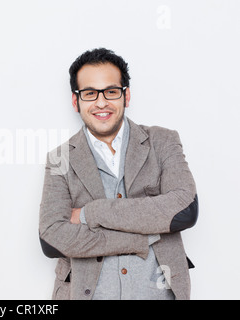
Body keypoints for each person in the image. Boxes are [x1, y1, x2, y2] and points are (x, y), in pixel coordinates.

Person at [38, 48, 198, 300]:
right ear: (75, 100)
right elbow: (52, 238)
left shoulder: (163, 141)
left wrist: (91, 213)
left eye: (111, 91)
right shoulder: (60, 158)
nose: (101, 102)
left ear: (126, 96)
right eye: (90, 93)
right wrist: (139, 239)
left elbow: (184, 210)